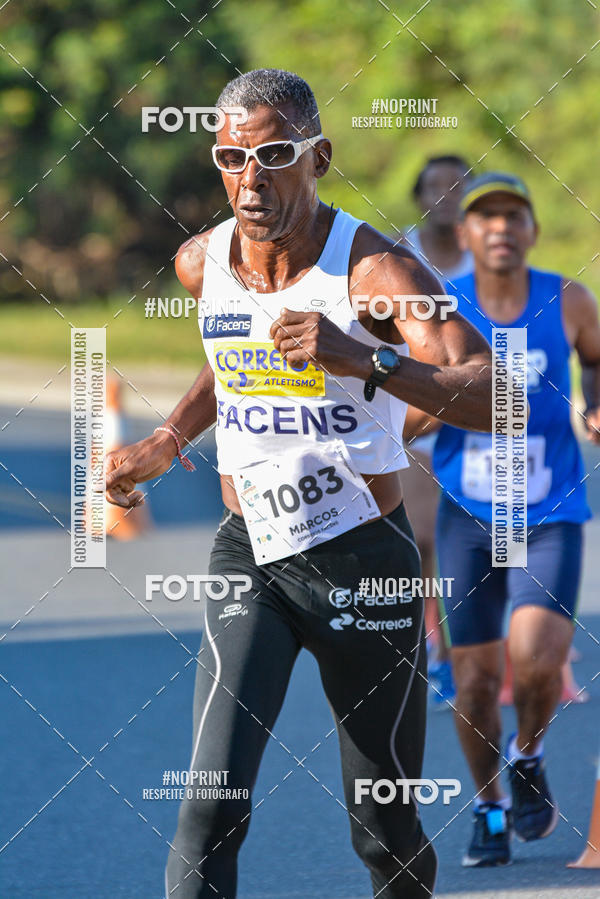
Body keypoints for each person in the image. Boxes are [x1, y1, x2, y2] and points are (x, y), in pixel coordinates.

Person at [105, 69, 493, 898]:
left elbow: (495, 391)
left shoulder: (379, 272)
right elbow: (228, 363)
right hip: (251, 553)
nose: (252, 178)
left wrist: (364, 358)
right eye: (231, 157)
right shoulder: (198, 262)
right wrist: (170, 439)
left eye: (274, 154)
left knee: (382, 824)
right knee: (210, 802)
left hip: (368, 562)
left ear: (319, 157)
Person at [429, 172, 600, 866]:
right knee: (472, 682)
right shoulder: (441, 305)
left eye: (512, 215)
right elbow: (414, 388)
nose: (500, 227)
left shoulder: (569, 298)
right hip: (468, 513)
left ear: (531, 229)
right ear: (465, 234)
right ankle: (490, 806)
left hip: (549, 507)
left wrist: (593, 403)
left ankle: (527, 751)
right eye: (485, 218)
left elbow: (597, 358)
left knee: (534, 663)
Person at [400, 156, 474, 707]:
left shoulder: (493, 255)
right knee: (422, 544)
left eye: (458, 185)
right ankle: (437, 655)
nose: (446, 195)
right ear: (418, 195)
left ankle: (487, 653)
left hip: (479, 419)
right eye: (435, 187)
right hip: (418, 415)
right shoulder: (395, 255)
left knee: (491, 545)